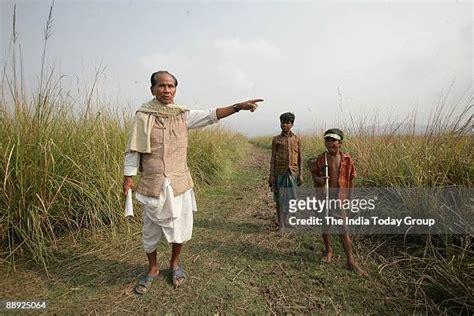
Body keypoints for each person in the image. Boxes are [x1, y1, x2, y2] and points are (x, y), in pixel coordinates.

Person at [123, 70, 263, 294]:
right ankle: (153, 268)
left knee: (180, 227)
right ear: (152, 89)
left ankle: (175, 264)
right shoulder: (143, 116)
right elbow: (133, 149)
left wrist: (238, 106)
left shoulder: (183, 115)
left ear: (175, 89)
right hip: (153, 182)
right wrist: (128, 177)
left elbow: (211, 115)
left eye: (171, 86)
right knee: (150, 231)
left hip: (179, 183)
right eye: (162, 86)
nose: (166, 90)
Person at [310, 128, 367, 277]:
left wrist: (350, 198)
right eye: (327, 140)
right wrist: (318, 180)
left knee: (343, 230)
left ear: (340, 143)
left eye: (333, 140)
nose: (330, 143)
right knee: (325, 225)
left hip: (339, 199)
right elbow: (314, 174)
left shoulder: (347, 159)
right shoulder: (321, 158)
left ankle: (350, 261)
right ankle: (328, 251)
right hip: (325, 197)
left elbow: (351, 179)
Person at [268, 112, 303, 233]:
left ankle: (286, 219)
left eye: (288, 123)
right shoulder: (276, 139)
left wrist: (301, 174)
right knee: (280, 199)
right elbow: (273, 158)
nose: (285, 125)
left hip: (292, 173)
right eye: (283, 122)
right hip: (279, 173)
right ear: (280, 124)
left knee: (291, 199)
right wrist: (271, 176)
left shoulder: (297, 139)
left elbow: (300, 158)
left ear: (292, 124)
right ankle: (281, 223)